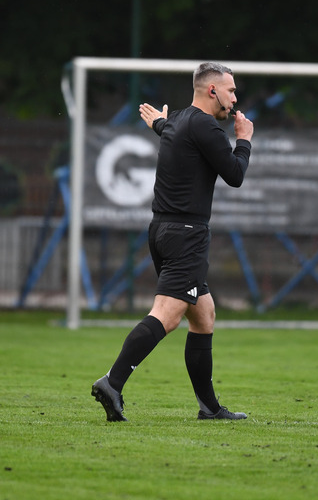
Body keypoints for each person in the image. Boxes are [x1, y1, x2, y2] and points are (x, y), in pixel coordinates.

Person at [91, 62, 254, 422]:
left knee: (204, 314)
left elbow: (168, 129)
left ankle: (210, 408)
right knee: (166, 315)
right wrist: (244, 139)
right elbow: (235, 175)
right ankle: (112, 382)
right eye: (231, 90)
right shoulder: (208, 127)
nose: (235, 98)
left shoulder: (179, 120)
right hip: (187, 236)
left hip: (162, 231)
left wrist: (157, 124)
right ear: (212, 91)